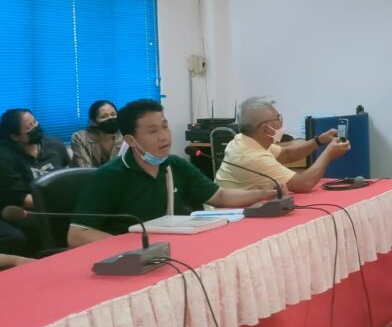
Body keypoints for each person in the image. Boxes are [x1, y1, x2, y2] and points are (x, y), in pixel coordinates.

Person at [67, 99, 277, 247]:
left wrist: (262, 193)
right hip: (131, 262)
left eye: (165, 127)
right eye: (152, 131)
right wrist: (134, 248)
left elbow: (219, 196)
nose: (163, 136)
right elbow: (77, 234)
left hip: (175, 250)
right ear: (130, 140)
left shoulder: (174, 165)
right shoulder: (109, 176)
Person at [215, 97, 350, 193]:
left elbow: (287, 154)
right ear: (265, 129)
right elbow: (305, 183)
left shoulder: (244, 140)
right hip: (231, 217)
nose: (281, 122)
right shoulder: (252, 157)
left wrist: (319, 140)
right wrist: (328, 154)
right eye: (278, 118)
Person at [0, 109, 70, 255]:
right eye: (29, 128)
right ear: (14, 136)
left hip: (58, 202)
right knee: (39, 223)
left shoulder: (55, 145)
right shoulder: (5, 157)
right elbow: (19, 198)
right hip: (25, 207)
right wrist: (57, 204)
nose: (35, 128)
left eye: (35, 122)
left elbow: (71, 176)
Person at [70, 100, 125, 167]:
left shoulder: (124, 136)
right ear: (93, 122)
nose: (110, 118)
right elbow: (84, 169)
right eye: (104, 116)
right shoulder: (80, 138)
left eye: (113, 114)